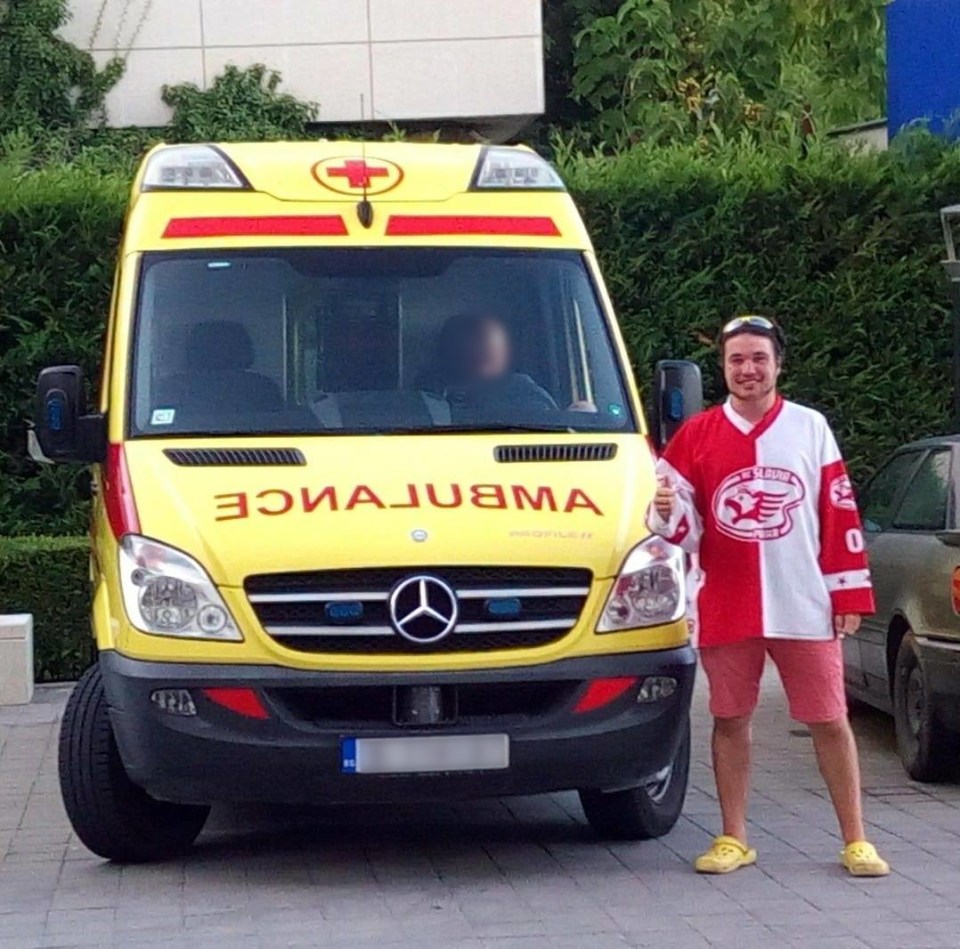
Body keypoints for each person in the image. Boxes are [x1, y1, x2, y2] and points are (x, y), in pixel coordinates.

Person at [648, 314, 890, 878]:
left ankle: (855, 838)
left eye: (758, 358)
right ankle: (733, 836)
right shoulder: (696, 436)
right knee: (730, 718)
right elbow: (677, 522)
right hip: (729, 601)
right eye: (736, 360)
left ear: (778, 364)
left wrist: (848, 592)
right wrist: (667, 514)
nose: (747, 369)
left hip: (804, 601)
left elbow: (839, 512)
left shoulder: (810, 428)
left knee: (830, 718)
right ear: (723, 369)